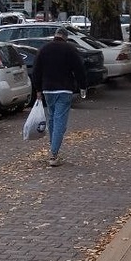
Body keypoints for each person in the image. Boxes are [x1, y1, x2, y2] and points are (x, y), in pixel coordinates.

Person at [29, 29, 87, 167]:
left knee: (52, 118)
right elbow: (79, 69)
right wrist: (83, 86)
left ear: (55, 36)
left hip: (48, 89)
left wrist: (38, 89)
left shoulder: (43, 49)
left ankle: (53, 145)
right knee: (60, 120)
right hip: (64, 89)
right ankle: (54, 153)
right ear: (65, 37)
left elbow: (36, 70)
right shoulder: (69, 49)